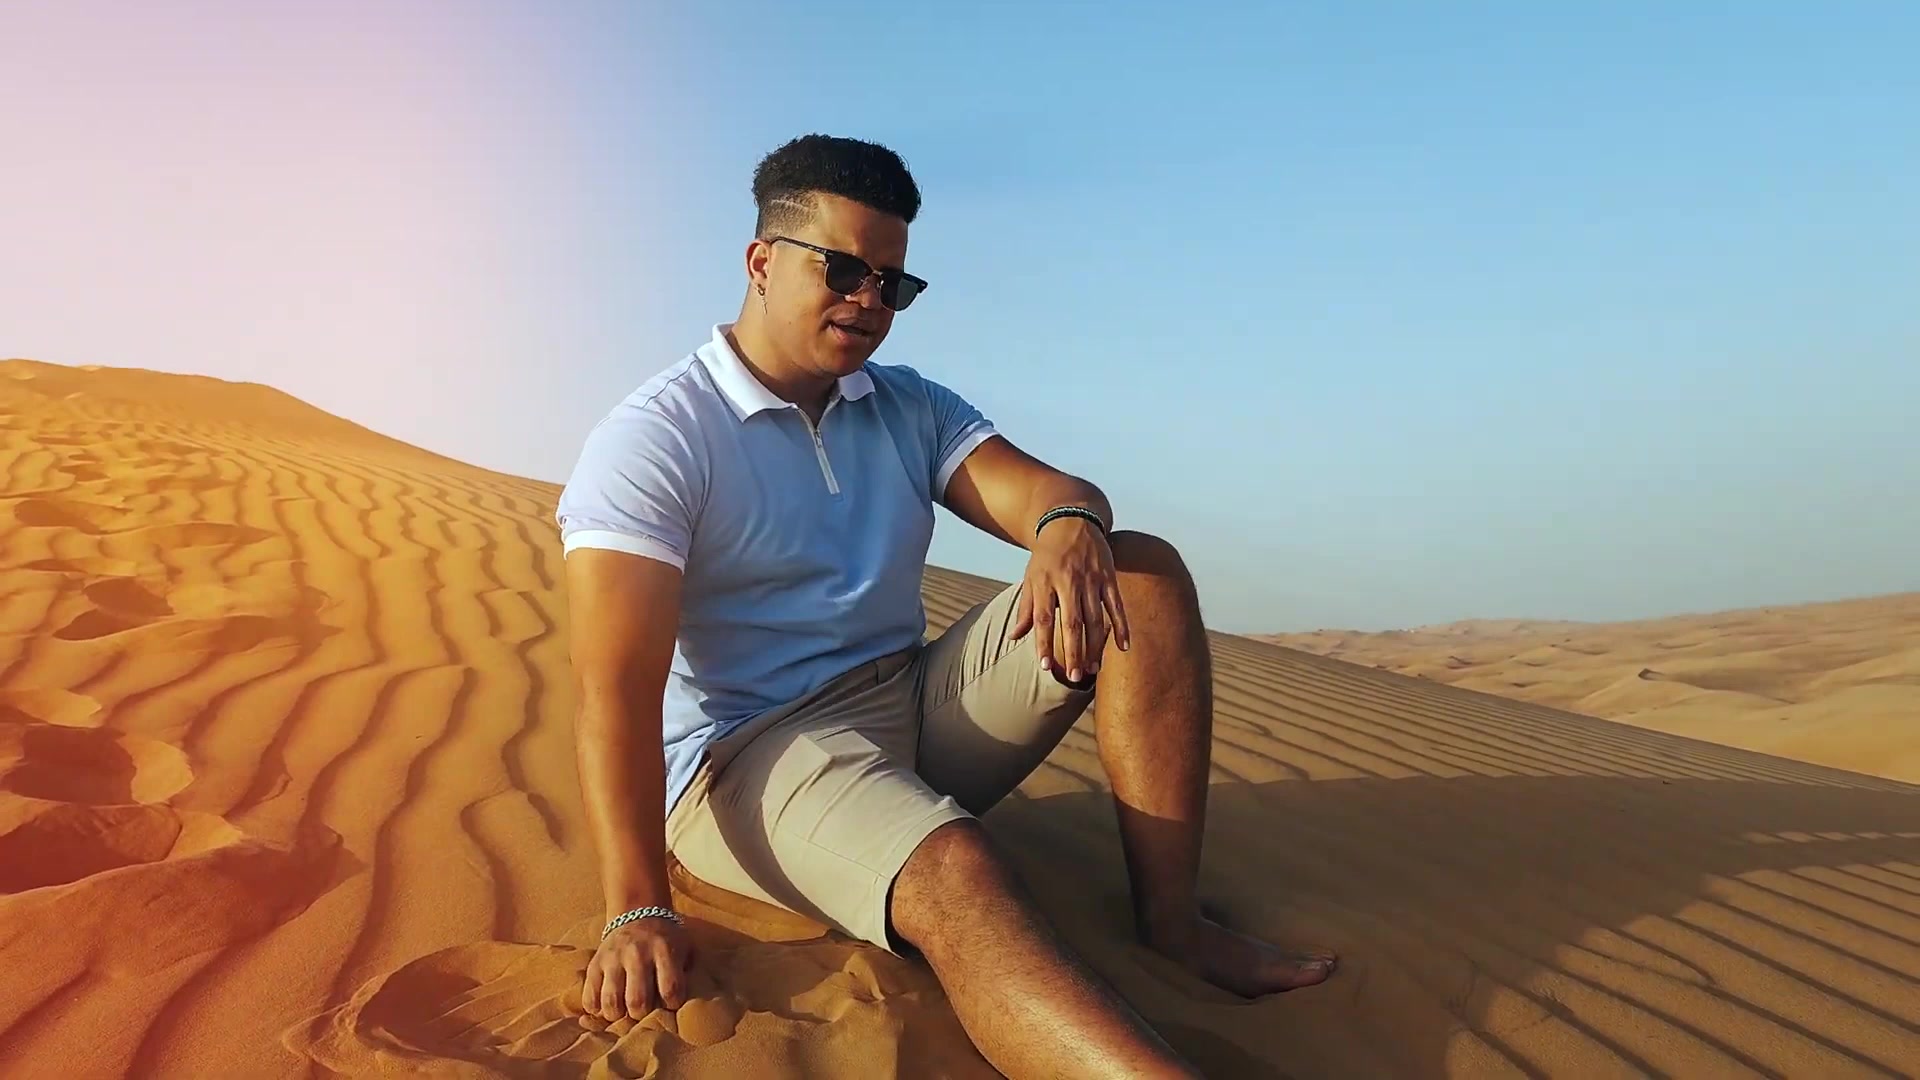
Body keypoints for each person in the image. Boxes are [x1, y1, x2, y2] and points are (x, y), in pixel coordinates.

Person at [555, 133, 1336, 1078]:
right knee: (957, 869)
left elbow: (1048, 490)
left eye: (894, 284)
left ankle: (1174, 925)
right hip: (750, 756)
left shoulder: (905, 404)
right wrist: (636, 908)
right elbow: (615, 695)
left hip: (912, 700)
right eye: (845, 270)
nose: (869, 302)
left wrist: (1066, 522)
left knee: (1141, 572)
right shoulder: (658, 439)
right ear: (761, 262)